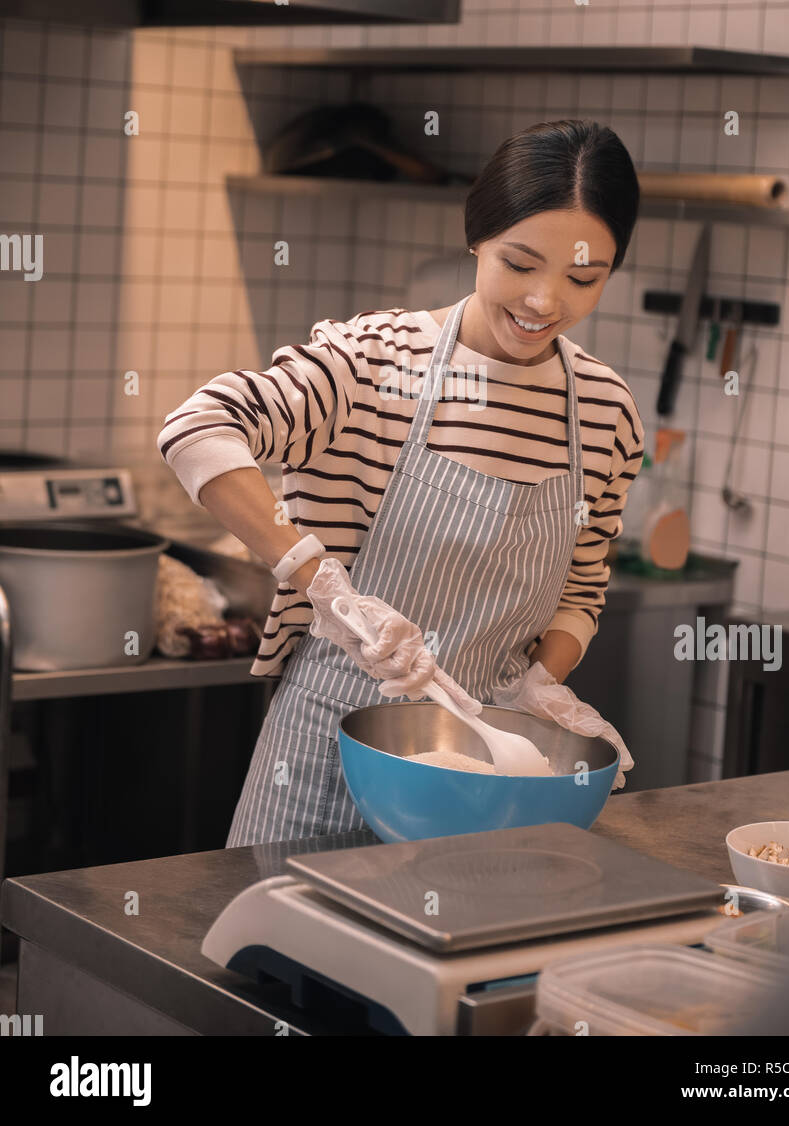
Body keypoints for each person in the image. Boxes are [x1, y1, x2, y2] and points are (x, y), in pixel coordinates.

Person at [157, 119, 645, 844]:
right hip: (325, 755)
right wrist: (319, 579)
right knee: (278, 953)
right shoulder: (372, 361)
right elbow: (196, 429)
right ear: (477, 236)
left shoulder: (606, 413)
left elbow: (581, 587)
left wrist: (540, 683)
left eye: (582, 279)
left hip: (484, 773)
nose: (545, 301)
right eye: (519, 263)